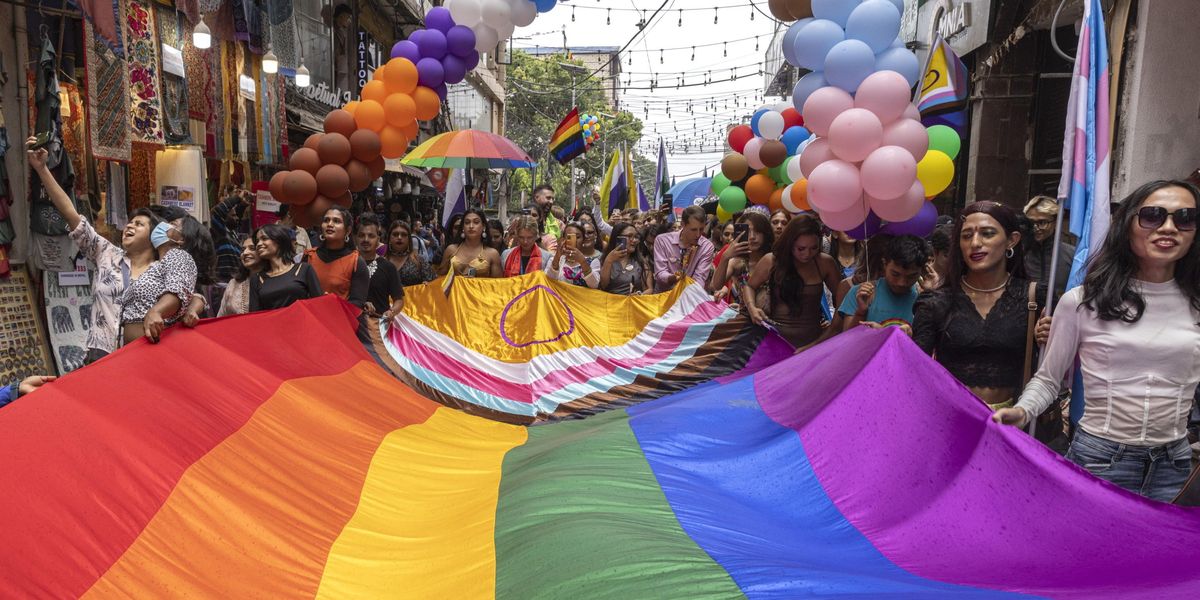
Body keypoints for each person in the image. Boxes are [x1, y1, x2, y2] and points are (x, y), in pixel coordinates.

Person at [995, 181, 1200, 501]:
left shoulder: (1196, 303)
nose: (1169, 227)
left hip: (1174, 466)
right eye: (1153, 216)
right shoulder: (1083, 301)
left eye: (1185, 217)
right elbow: (1049, 380)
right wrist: (1021, 413)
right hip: (1101, 460)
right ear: (1128, 225)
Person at [29, 139, 157, 363]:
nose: (129, 226)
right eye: (130, 222)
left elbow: (186, 297)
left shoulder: (161, 269)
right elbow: (70, 213)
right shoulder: (106, 253)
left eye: (139, 224)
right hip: (101, 355)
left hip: (141, 359)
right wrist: (42, 170)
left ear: (154, 236)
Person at [912, 201, 1046, 411]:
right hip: (952, 420)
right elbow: (915, 368)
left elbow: (1055, 370)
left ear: (1011, 240)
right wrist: (894, 339)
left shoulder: (1035, 297)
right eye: (966, 236)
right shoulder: (935, 302)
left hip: (1012, 424)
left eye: (987, 233)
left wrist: (1050, 338)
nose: (975, 243)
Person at [744, 214, 842, 350]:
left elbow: (843, 299)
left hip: (814, 342)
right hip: (775, 342)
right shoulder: (771, 261)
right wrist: (752, 308)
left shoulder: (825, 263)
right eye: (801, 249)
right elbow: (749, 286)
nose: (807, 254)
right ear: (789, 243)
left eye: (814, 248)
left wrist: (832, 329)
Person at [119, 220, 198, 344]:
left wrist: (156, 312)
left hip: (153, 346)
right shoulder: (157, 265)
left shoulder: (178, 255)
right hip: (136, 349)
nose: (165, 225)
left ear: (181, 240)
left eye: (174, 225)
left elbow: (178, 291)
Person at [839, 235, 928, 333]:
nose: (902, 283)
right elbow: (847, 340)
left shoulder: (924, 298)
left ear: (922, 270)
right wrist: (861, 312)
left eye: (911, 276)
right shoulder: (861, 294)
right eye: (895, 274)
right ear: (884, 264)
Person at [305, 206, 369, 311]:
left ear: (347, 231)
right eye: (326, 220)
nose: (330, 224)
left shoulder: (356, 262)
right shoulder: (309, 257)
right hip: (309, 320)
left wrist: (332, 304)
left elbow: (357, 304)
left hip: (340, 322)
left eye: (336, 221)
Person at [249, 223, 323, 311]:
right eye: (257, 241)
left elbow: (319, 305)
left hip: (301, 323)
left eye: (264, 238)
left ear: (279, 240)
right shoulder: (257, 279)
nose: (259, 244)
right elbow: (254, 316)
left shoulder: (304, 269)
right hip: (272, 324)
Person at [710, 212, 774, 308]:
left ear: (766, 233)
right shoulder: (737, 262)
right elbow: (715, 286)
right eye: (748, 232)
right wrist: (725, 257)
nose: (752, 237)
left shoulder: (773, 260)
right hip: (745, 318)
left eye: (757, 231)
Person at [1023, 195, 1077, 297]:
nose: (1035, 228)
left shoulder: (1072, 255)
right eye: (1031, 223)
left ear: (1056, 222)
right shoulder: (1019, 254)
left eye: (1042, 222)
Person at [653, 205, 715, 292]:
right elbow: (660, 273)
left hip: (691, 296)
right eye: (693, 230)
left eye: (701, 229)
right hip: (663, 297)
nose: (698, 235)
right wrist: (673, 278)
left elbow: (700, 278)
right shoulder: (662, 240)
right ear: (682, 225)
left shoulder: (707, 246)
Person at [354, 214, 405, 320]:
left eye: (371, 236)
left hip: (380, 328)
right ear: (355, 238)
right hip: (350, 325)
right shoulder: (347, 263)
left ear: (378, 239)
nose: (366, 240)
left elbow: (399, 300)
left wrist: (391, 311)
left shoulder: (388, 267)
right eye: (361, 235)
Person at [437, 209, 502, 278]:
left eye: (476, 222)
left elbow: (497, 284)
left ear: (483, 227)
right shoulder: (451, 250)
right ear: (463, 227)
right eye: (467, 222)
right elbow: (440, 278)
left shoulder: (493, 254)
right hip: (454, 289)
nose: (471, 226)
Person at [599, 222, 653, 295]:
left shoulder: (641, 261)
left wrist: (640, 295)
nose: (634, 240)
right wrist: (608, 261)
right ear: (618, 238)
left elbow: (649, 289)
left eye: (636, 237)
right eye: (629, 236)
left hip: (633, 303)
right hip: (611, 304)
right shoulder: (605, 260)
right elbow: (603, 286)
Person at [210, 190, 249, 283]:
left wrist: (243, 204)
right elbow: (217, 211)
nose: (237, 218)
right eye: (233, 215)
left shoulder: (233, 233)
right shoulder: (220, 232)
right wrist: (237, 198)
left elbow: (237, 215)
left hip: (234, 281)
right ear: (224, 217)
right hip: (222, 282)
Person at [545, 222, 599, 288]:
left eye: (578, 237)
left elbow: (594, 285)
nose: (574, 240)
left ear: (583, 240)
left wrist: (583, 262)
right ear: (563, 239)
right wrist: (557, 257)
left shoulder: (593, 262)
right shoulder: (554, 259)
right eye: (569, 237)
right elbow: (548, 281)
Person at [217, 236, 261, 316]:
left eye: (252, 248)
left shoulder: (272, 282)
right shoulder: (233, 283)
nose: (245, 253)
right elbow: (221, 316)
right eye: (243, 250)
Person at [386, 220, 434, 287]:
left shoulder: (419, 261)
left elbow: (434, 284)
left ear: (409, 239)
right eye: (395, 234)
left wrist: (428, 285)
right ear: (389, 239)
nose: (399, 237)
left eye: (404, 235)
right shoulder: (380, 262)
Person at [923, 224, 952, 291]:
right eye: (947, 256)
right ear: (935, 252)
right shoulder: (921, 276)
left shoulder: (963, 276)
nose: (953, 261)